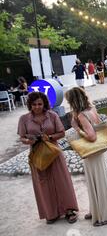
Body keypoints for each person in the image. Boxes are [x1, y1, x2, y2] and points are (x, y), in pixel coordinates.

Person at [17, 92, 79, 224]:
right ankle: (51, 213)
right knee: (43, 183)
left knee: (61, 180)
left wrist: (49, 137)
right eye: (34, 104)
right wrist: (28, 141)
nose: (37, 107)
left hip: (53, 151)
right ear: (30, 105)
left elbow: (62, 133)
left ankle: (69, 210)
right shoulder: (24, 119)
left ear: (44, 103)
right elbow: (22, 137)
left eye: (40, 104)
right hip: (37, 153)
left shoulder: (52, 115)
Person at [65, 87, 107, 227]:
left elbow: (92, 137)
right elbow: (98, 127)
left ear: (73, 101)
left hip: (92, 153)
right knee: (101, 181)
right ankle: (96, 210)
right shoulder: (92, 109)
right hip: (99, 153)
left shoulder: (82, 115)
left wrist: (76, 128)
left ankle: (105, 215)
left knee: (97, 182)